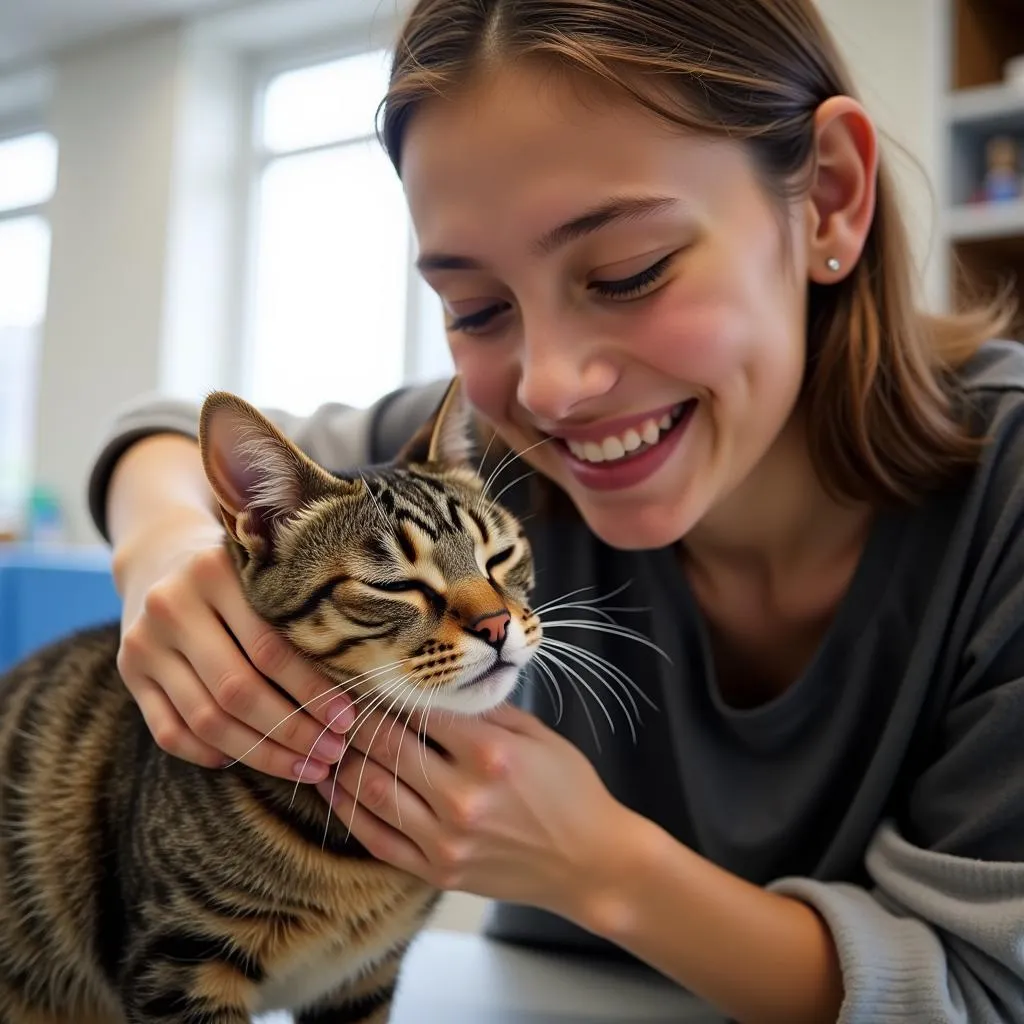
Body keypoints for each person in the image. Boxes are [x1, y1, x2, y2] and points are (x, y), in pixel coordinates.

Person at [87, 1, 1024, 1021]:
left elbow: (984, 993)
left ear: (831, 199)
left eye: (628, 272)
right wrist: (166, 547)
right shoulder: (506, 455)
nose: (552, 387)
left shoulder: (1002, 506)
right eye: (476, 308)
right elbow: (168, 433)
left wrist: (602, 868)